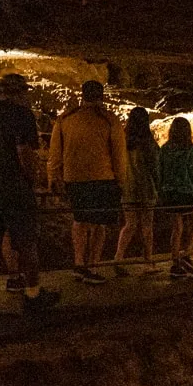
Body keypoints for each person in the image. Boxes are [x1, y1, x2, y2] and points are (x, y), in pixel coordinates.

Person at [0, 78, 59, 322]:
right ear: (14, 93)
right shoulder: (20, 115)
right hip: (12, 185)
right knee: (26, 242)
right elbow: (24, 152)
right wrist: (29, 180)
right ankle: (32, 294)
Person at [48, 81, 125, 284]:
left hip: (74, 178)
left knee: (80, 221)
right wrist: (122, 180)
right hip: (102, 177)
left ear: (83, 95)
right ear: (101, 96)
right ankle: (93, 265)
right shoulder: (109, 120)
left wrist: (53, 178)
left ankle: (79, 263)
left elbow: (55, 153)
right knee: (99, 224)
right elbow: (119, 155)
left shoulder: (65, 119)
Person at [158, 116, 193, 279]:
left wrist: (161, 192)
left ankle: (175, 262)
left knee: (177, 227)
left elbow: (160, 171)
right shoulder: (189, 149)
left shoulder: (165, 149)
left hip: (170, 192)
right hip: (186, 192)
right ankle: (186, 254)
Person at [113, 106, 160, 276]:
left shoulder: (123, 141)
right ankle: (148, 261)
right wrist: (159, 184)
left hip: (128, 187)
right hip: (146, 188)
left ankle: (118, 257)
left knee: (130, 224)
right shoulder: (148, 143)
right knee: (147, 226)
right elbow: (155, 167)